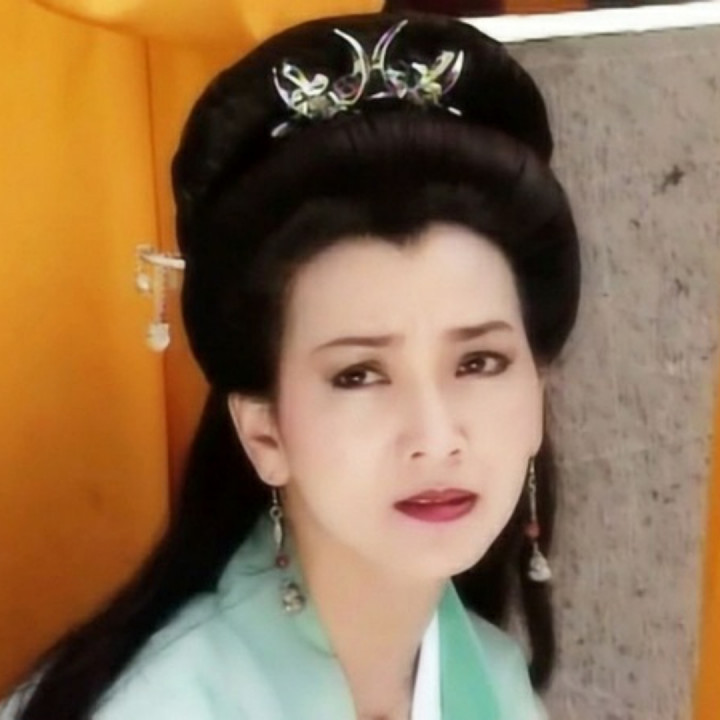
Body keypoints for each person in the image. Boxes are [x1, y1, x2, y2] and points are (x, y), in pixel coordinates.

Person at [1, 9, 580, 719]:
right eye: (358, 374)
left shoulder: (491, 677)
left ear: (537, 392)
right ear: (263, 432)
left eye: (480, 362)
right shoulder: (154, 705)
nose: (435, 436)